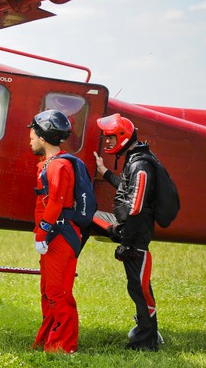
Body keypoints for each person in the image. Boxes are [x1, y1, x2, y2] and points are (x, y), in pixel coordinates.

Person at [93, 114, 162, 351]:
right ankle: (145, 333)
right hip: (129, 232)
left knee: (140, 289)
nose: (107, 141)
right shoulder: (134, 159)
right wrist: (104, 171)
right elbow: (126, 187)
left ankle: (147, 341)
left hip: (136, 238)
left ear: (122, 137)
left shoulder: (140, 165)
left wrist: (128, 244)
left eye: (111, 137)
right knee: (88, 216)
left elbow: (136, 206)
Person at [28, 110, 81, 354]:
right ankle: (48, 340)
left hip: (59, 236)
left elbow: (56, 203)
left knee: (58, 293)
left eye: (33, 135)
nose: (30, 140)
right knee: (48, 292)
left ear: (43, 137)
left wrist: (41, 233)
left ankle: (63, 347)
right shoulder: (50, 164)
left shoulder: (59, 166)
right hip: (52, 235)